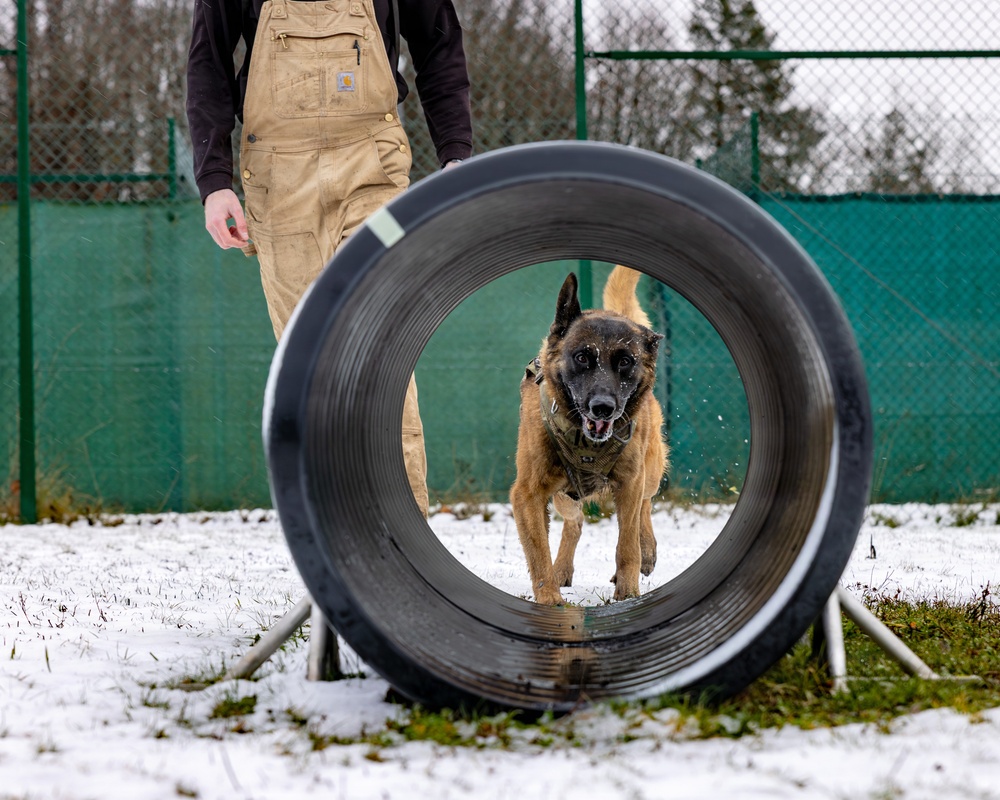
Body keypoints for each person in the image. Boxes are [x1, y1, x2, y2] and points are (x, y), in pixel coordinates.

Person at [186, 0, 473, 517]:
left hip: (372, 173)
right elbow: (207, 63)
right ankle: (338, 542)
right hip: (277, 181)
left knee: (378, 334)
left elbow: (438, 43)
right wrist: (213, 182)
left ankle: (402, 536)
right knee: (310, 356)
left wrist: (455, 153)